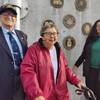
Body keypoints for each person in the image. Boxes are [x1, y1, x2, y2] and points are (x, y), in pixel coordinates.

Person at [20, 19, 83, 100]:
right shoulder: (33, 50)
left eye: (55, 33)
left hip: (61, 95)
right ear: (42, 36)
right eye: (48, 33)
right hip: (42, 96)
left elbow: (65, 69)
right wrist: (36, 93)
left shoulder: (58, 50)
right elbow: (27, 72)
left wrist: (77, 81)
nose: (52, 36)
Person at [0, 4, 28, 100]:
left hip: (22, 82)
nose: (10, 17)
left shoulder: (23, 36)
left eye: (13, 15)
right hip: (3, 84)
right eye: (6, 14)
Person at [73, 19, 100, 100]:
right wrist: (75, 66)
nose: (99, 27)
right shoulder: (90, 39)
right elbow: (84, 54)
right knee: (90, 95)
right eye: (97, 25)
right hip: (90, 71)